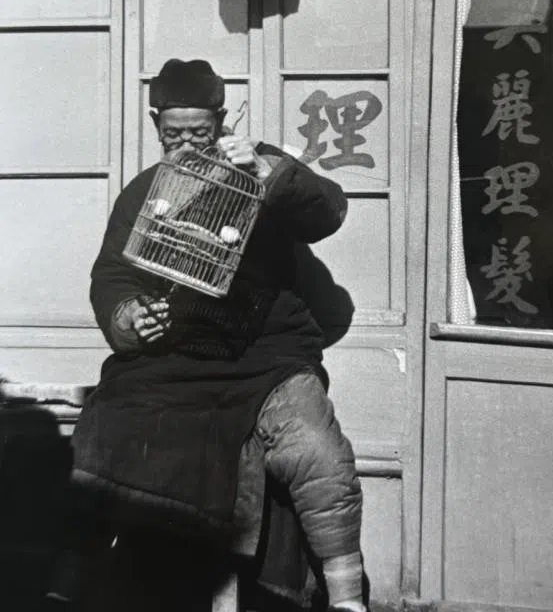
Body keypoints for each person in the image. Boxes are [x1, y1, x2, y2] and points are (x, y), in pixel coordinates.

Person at [66, 58, 367, 612]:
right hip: (175, 355)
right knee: (105, 423)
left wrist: (266, 171)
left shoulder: (260, 167)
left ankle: (349, 597)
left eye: (198, 134)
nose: (185, 147)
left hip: (266, 352)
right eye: (172, 135)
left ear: (223, 121)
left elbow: (329, 211)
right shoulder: (143, 194)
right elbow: (112, 274)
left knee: (316, 451)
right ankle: (74, 577)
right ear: (156, 124)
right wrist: (128, 315)